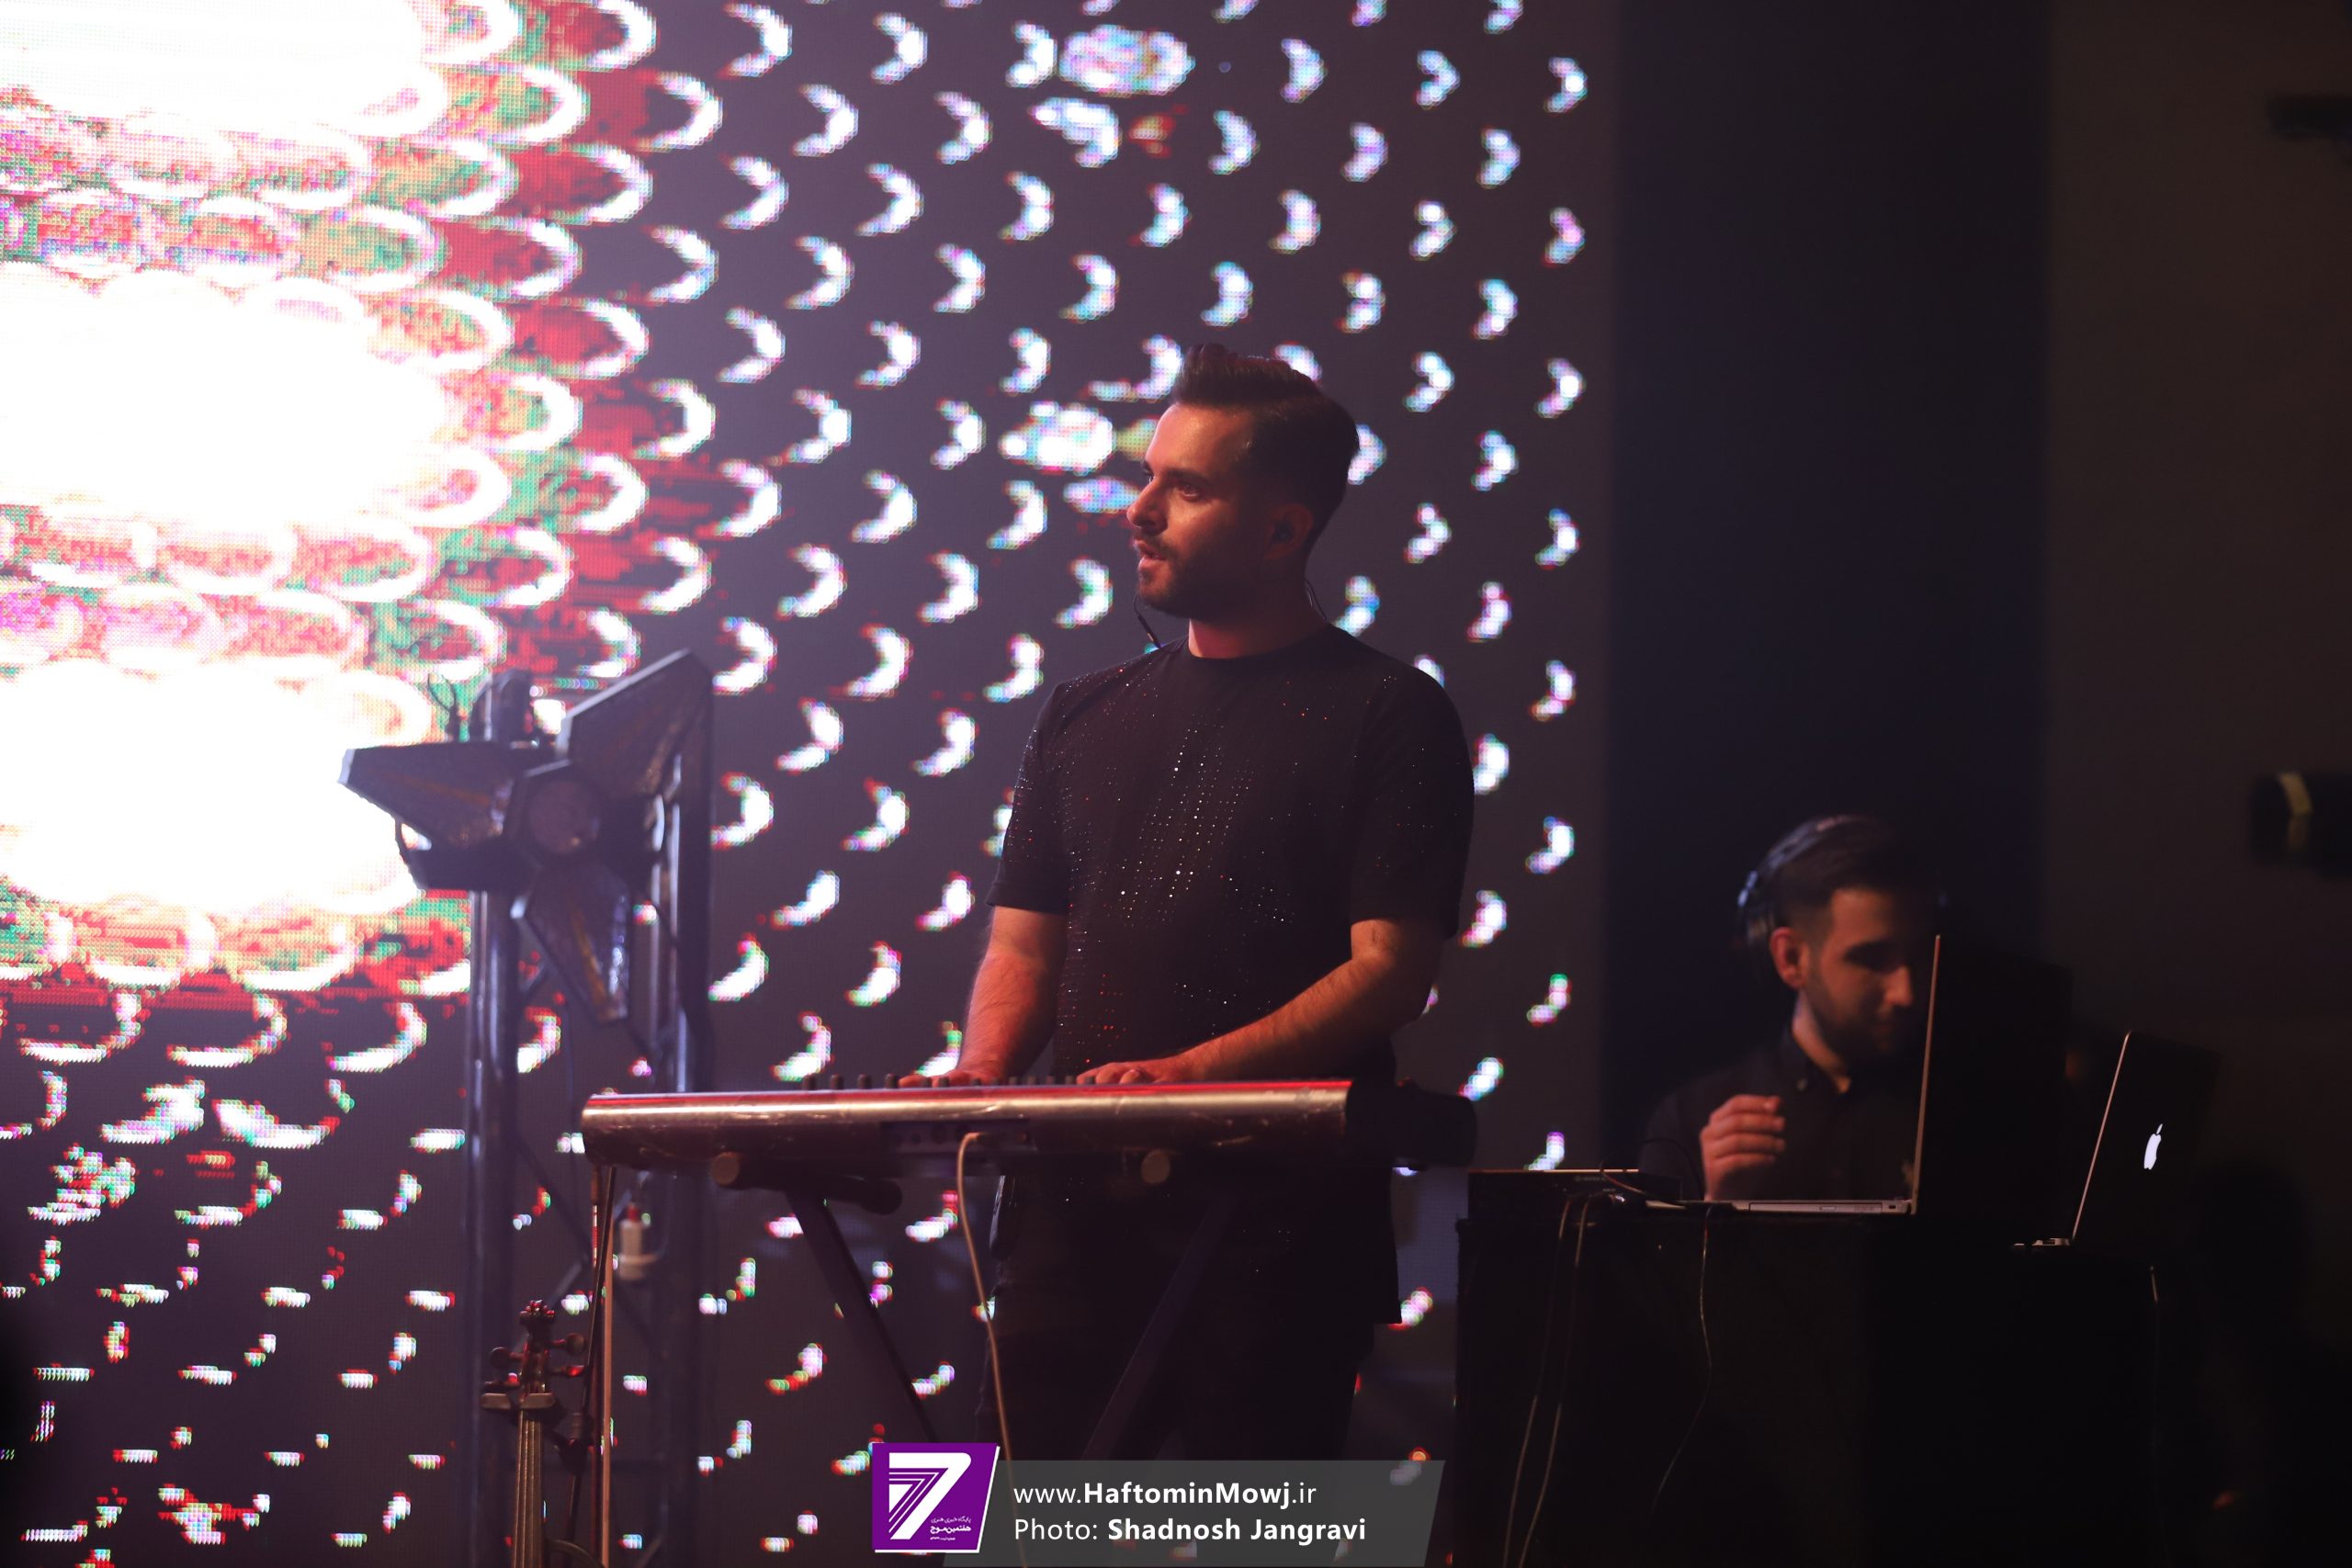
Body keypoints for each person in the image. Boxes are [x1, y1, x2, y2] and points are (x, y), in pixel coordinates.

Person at [908, 344, 1475, 1460]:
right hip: (1067, 1219)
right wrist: (982, 1074)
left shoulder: (1390, 712)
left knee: (1252, 1531)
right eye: (1147, 477)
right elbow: (1025, 947)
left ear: (1282, 530)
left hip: (1275, 1232)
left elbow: (1388, 972)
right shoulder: (1079, 712)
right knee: (987, 1526)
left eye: (1188, 487)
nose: (1140, 509)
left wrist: (1183, 1078)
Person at [1640, 816, 1938, 1201]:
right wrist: (1719, 1209)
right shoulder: (1690, 1121)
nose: (1905, 993)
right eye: (1872, 960)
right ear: (1791, 958)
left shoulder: (1962, 1114)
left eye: (1918, 957)